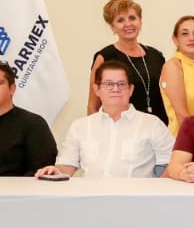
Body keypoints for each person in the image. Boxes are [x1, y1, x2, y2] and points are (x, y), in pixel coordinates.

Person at [36, 61, 172, 179]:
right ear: (97, 89)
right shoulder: (80, 126)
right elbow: (66, 166)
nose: (115, 89)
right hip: (90, 198)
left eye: (121, 84)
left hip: (136, 199)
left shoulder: (152, 125)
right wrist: (54, 171)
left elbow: (172, 164)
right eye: (108, 84)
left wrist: (155, 191)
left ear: (131, 89)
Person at [88, 0, 168, 123]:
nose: (128, 24)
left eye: (132, 18)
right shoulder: (105, 58)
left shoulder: (156, 56)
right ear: (112, 27)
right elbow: (93, 106)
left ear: (140, 22)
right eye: (120, 20)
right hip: (120, 128)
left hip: (158, 126)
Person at [160, 15, 194, 135]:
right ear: (175, 40)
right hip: (184, 138)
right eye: (185, 34)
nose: (191, 38)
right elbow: (182, 116)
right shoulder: (173, 66)